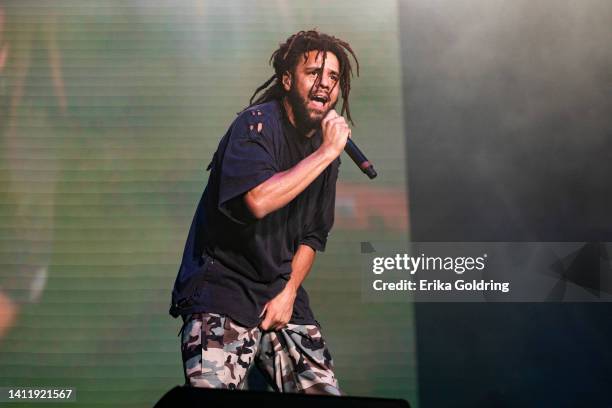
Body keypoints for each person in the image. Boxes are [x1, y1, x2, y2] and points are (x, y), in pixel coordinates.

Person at [169, 29, 359, 394]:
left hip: (280, 294)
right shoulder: (255, 126)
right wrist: (326, 154)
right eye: (313, 73)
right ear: (288, 79)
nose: (324, 84)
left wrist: (288, 293)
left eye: (333, 77)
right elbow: (258, 200)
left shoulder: (325, 153)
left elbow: (312, 237)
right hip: (224, 290)